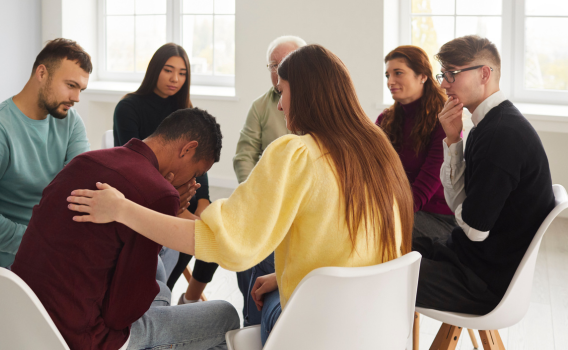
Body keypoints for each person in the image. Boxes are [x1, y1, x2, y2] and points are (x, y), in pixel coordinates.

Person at [66, 44, 415, 345]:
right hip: (376, 328)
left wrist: (123, 209)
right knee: (266, 282)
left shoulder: (295, 154)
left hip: (312, 333)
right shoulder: (378, 151)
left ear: (306, 94)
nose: (280, 106)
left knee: (238, 307)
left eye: (283, 92)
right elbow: (354, 244)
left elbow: (224, 242)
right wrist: (282, 276)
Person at [12, 108, 239, 350]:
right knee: (226, 316)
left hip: (23, 316)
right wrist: (166, 197)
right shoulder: (158, 193)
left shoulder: (86, 160)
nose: (191, 182)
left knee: (160, 288)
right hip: (83, 337)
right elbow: (119, 315)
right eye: (196, 173)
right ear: (187, 149)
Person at [414, 35, 555, 315]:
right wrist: (454, 139)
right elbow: (461, 207)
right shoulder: (489, 125)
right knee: (380, 241)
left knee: (375, 271)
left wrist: (464, 214)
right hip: (466, 257)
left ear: (485, 74)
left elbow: (474, 229)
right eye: (444, 74)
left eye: (452, 74)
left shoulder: (501, 136)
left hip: (480, 281)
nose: (443, 84)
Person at [0, 38, 92, 268]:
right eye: (71, 85)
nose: (77, 98)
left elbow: (82, 189)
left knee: (146, 265)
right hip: (28, 258)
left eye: (81, 89)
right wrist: (45, 240)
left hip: (66, 243)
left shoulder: (70, 122)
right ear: (42, 73)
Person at [113, 43, 215, 302]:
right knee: (193, 238)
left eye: (182, 73)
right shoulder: (128, 108)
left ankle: (188, 299)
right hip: (152, 195)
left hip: (187, 194)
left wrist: (202, 202)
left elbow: (198, 166)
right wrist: (181, 209)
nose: (175, 79)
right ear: (154, 70)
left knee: (214, 235)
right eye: (168, 70)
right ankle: (159, 296)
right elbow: (131, 164)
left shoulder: (187, 111)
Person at [233, 35, 306, 326]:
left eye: (285, 64)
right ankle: (252, 312)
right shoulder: (261, 106)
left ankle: (258, 318)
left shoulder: (316, 112)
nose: (278, 71)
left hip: (297, 207)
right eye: (273, 65)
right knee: (244, 240)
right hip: (266, 199)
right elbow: (243, 156)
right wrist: (257, 196)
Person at [377, 45, 456, 245]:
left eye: (398, 73)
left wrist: (386, 213)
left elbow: (424, 188)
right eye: (387, 75)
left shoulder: (444, 121)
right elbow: (370, 167)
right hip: (399, 207)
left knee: (373, 227)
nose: (390, 81)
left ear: (422, 76)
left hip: (438, 217)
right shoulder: (386, 119)